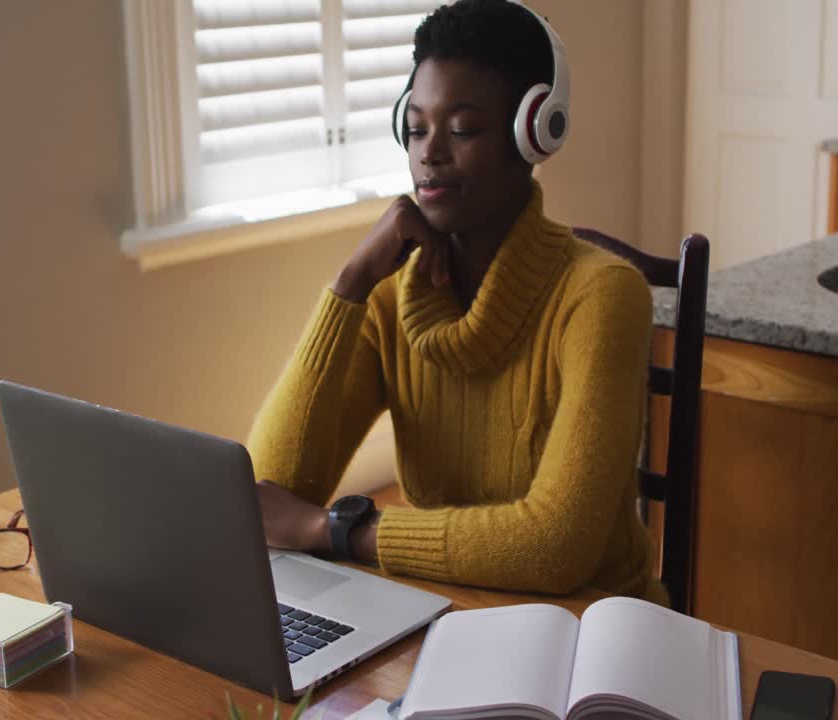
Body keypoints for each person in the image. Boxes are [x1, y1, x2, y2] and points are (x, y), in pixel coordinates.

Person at [246, 0, 665, 604]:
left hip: (590, 635)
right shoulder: (391, 297)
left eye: (462, 129)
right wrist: (350, 285)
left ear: (535, 132)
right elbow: (267, 493)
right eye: (416, 129)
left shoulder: (601, 296)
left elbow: (556, 547)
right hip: (444, 615)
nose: (429, 153)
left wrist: (334, 529)